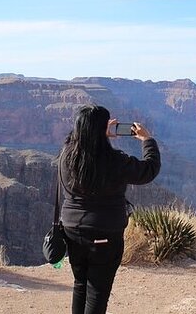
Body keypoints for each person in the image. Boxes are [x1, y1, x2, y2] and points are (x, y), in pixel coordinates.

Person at [58, 105, 161, 314]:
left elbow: (74, 138)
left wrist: (95, 130)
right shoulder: (115, 161)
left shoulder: (66, 156)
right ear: (101, 129)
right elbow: (149, 170)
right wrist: (147, 140)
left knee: (80, 284)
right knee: (97, 291)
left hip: (71, 230)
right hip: (104, 234)